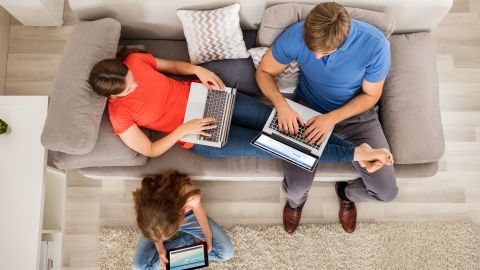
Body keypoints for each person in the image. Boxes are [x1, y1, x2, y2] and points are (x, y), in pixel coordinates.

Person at [88, 48, 392, 171]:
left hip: (209, 98)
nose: (135, 86)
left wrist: (196, 70)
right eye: (128, 90)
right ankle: (355, 153)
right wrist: (183, 129)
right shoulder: (119, 114)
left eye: (130, 80)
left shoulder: (135, 62)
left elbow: (170, 66)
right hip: (198, 134)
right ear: (112, 98)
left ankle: (356, 149)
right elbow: (151, 150)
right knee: (276, 146)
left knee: (282, 125)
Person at [256, 2, 399, 234]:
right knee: (295, 189)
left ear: (343, 41)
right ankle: (296, 204)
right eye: (312, 49)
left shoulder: (375, 45)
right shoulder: (297, 34)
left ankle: (345, 193)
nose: (316, 56)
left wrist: (332, 118)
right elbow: (263, 72)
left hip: (355, 117)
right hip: (308, 112)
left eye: (325, 52)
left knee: (387, 193)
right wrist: (281, 104)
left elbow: (371, 95)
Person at [132, 170, 234, 270]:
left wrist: (207, 235)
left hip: (188, 216)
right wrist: (160, 248)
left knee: (226, 253)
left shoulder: (187, 194)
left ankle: (188, 245)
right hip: (160, 221)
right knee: (138, 268)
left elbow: (197, 208)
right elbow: (155, 229)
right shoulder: (147, 205)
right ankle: (191, 241)